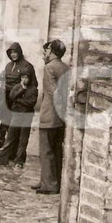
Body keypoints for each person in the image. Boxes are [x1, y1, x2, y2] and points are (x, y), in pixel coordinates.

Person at [33, 39, 70, 195]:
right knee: (56, 151)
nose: (44, 53)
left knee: (46, 151)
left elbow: (52, 93)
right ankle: (52, 181)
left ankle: (49, 184)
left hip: (50, 116)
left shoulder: (49, 68)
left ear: (52, 51)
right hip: (60, 118)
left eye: (47, 50)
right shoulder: (66, 68)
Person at [0, 42, 36, 150]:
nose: (13, 55)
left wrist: (22, 94)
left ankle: (12, 150)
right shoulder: (8, 66)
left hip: (17, 99)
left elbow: (33, 84)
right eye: (11, 53)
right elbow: (1, 78)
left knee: (14, 126)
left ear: (20, 53)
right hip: (6, 98)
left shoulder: (27, 66)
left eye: (15, 52)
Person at [0, 68, 38, 169]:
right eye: (23, 77)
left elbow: (31, 103)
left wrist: (19, 101)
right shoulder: (17, 87)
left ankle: (19, 161)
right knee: (10, 138)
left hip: (26, 116)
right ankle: (2, 159)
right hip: (16, 115)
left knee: (23, 140)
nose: (24, 79)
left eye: (26, 77)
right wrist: (22, 90)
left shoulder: (33, 90)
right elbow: (12, 97)